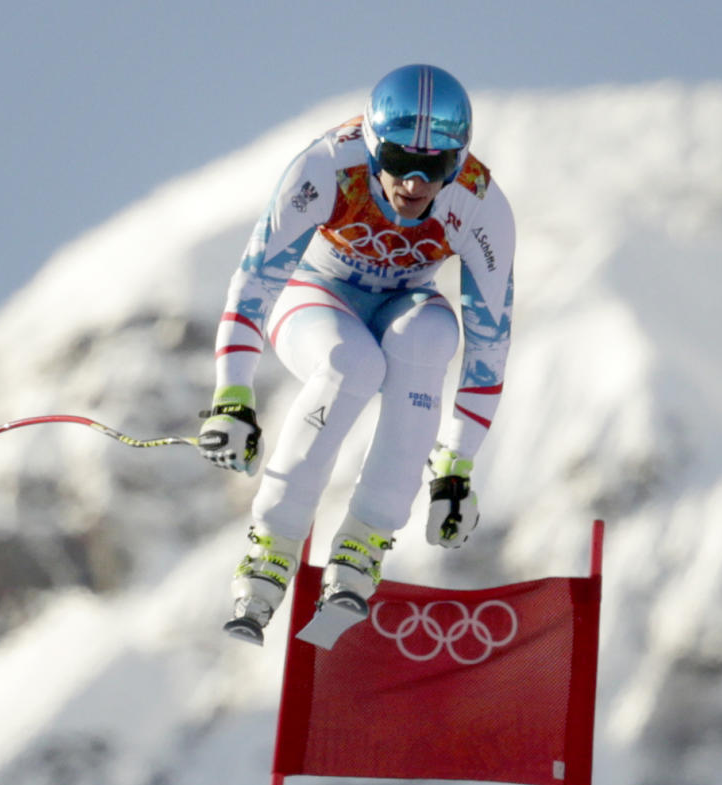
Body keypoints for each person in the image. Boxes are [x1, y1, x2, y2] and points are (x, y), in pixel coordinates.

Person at [197, 64, 515, 645]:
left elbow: (489, 339)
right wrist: (232, 394)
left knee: (431, 338)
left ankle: (364, 543)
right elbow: (256, 282)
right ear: (371, 146)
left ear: (460, 161)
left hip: (405, 305)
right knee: (353, 365)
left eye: (437, 166)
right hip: (317, 296)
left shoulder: (478, 203)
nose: (415, 183)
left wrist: (456, 469)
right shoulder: (325, 168)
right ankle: (272, 546)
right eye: (397, 161)